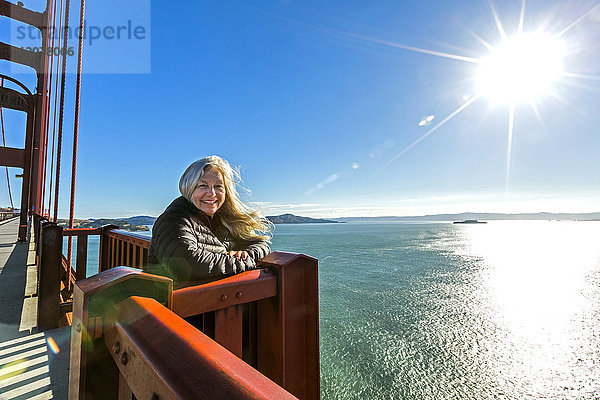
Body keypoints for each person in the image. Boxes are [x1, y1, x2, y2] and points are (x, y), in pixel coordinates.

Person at [147, 155, 272, 286]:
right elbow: (187, 266)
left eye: (218, 186)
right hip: (168, 303)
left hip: (210, 301)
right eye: (203, 186)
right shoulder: (174, 220)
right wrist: (245, 262)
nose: (211, 193)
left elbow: (261, 245)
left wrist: (245, 254)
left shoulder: (224, 219)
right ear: (189, 188)